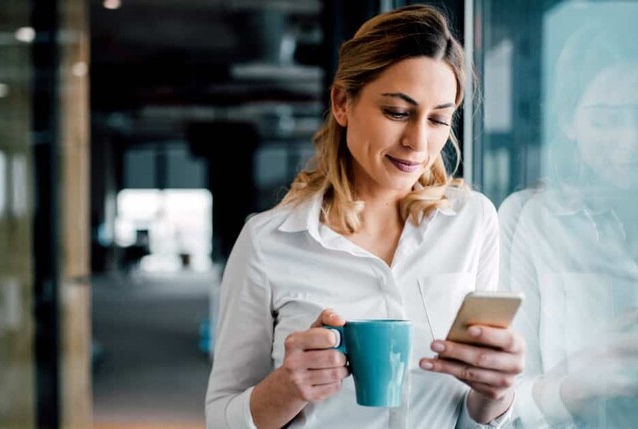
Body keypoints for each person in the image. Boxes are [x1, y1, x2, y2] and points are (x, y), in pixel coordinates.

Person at [205, 5, 525, 429]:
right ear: (342, 102)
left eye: (439, 119)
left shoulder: (472, 221)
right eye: (397, 112)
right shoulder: (268, 242)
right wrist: (288, 386)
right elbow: (220, 417)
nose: (417, 142)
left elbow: (474, 415)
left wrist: (496, 393)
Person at [498, 5, 638, 428]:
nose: (633, 141)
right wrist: (585, 381)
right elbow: (500, 405)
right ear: (568, 123)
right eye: (606, 120)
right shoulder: (531, 220)